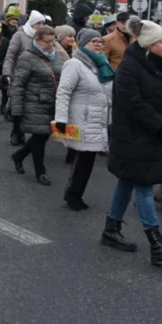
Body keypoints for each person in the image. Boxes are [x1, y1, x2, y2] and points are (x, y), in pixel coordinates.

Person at [102, 19, 162, 265]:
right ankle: (156, 241)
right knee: (143, 185)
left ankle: (111, 229)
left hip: (156, 135)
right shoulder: (129, 67)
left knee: (127, 182)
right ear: (148, 43)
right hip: (133, 137)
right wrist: (161, 125)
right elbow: (132, 103)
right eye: (161, 42)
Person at [55, 27, 114, 210]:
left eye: (100, 41)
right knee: (83, 159)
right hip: (82, 119)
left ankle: (75, 193)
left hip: (98, 119)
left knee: (87, 160)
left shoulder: (101, 63)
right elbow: (63, 92)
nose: (98, 45)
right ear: (83, 44)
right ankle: (73, 195)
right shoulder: (75, 64)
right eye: (93, 41)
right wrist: (61, 119)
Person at [9, 25, 63, 185]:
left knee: (44, 135)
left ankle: (19, 155)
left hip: (52, 102)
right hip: (34, 102)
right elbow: (18, 84)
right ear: (37, 41)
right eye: (47, 42)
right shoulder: (27, 57)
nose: (50, 45)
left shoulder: (54, 55)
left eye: (53, 42)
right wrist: (16, 110)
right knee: (40, 136)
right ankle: (41, 172)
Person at [3, 10, 46, 145]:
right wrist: (7, 73)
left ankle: (26, 132)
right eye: (38, 23)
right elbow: (10, 55)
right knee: (17, 106)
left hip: (35, 77)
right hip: (20, 75)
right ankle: (16, 132)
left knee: (30, 106)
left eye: (42, 23)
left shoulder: (41, 38)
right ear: (32, 23)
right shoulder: (20, 36)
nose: (41, 26)